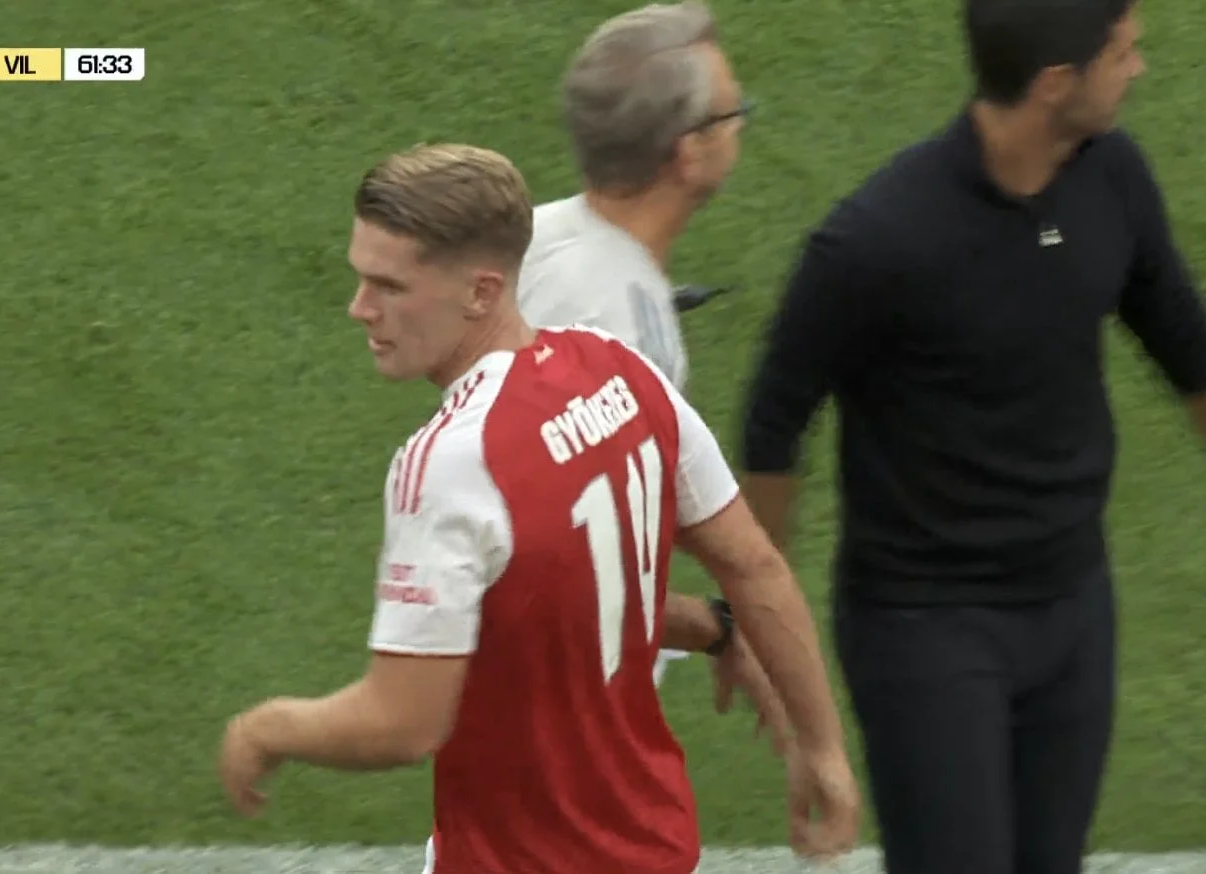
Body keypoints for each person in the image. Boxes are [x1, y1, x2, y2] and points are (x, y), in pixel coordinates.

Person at [737, 1, 1206, 873]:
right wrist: (760, 622)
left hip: (1072, 605)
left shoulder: (1112, 177)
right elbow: (775, 422)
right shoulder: (877, 240)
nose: (1140, 69)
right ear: (1055, 83)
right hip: (925, 625)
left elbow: (1183, 337)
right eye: (1123, 54)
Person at [217, 143, 861, 873]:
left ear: (481, 292)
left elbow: (404, 723)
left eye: (388, 286)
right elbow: (747, 566)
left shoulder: (452, 462)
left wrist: (267, 729)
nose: (359, 308)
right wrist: (822, 748)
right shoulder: (621, 372)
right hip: (651, 849)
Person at [519, 0, 754, 689]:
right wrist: (716, 628)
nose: (742, 124)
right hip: (565, 711)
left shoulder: (542, 234)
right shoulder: (611, 329)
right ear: (688, 150)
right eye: (732, 113)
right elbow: (572, 572)